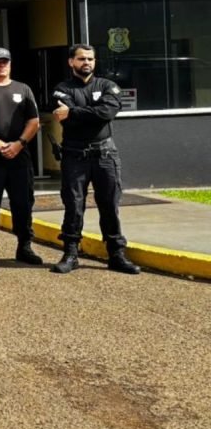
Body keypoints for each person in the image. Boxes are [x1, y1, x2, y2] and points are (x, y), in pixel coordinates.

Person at [49, 44, 139, 275]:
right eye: (81, 59)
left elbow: (107, 113)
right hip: (75, 155)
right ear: (71, 62)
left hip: (105, 155)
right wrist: (86, 113)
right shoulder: (62, 88)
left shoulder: (108, 86)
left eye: (90, 58)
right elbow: (65, 118)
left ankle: (116, 254)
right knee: (74, 205)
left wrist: (76, 112)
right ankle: (70, 254)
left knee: (109, 204)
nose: (86, 62)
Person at [0, 48, 43, 266]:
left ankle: (24, 246)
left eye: (5, 62)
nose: (1, 65)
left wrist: (19, 144)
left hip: (20, 157)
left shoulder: (23, 89)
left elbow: (34, 121)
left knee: (23, 203)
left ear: (10, 64)